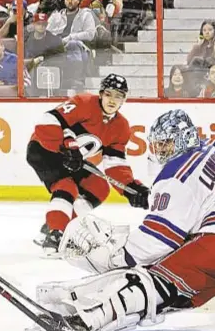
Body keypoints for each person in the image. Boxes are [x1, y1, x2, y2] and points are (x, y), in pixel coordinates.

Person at [35, 109, 215, 331]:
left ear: (184, 138)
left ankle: (90, 319)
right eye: (158, 144)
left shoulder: (174, 176)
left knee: (152, 281)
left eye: (167, 144)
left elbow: (157, 242)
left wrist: (117, 258)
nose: (161, 150)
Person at [26, 74, 150, 257]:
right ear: (100, 94)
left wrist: (131, 188)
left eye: (118, 96)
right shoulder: (83, 102)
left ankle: (62, 225)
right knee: (66, 186)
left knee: (99, 188)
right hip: (45, 148)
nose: (112, 100)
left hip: (74, 158)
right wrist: (67, 145)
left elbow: (114, 163)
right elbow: (48, 119)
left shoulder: (121, 126)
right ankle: (54, 235)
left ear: (124, 99)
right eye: (109, 94)